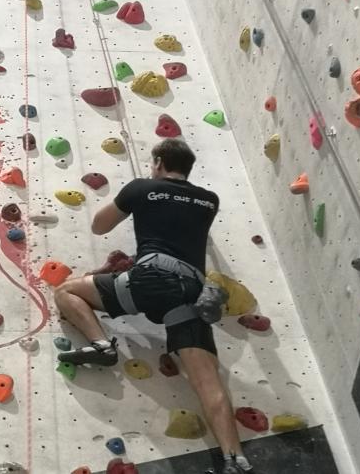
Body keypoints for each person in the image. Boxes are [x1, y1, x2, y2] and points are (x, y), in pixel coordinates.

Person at [53, 139, 253, 474]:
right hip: (191, 291)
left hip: (146, 281)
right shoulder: (209, 200)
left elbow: (99, 226)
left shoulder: (142, 188)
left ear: (158, 162)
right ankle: (236, 459)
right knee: (208, 383)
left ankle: (102, 344)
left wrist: (134, 199)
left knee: (66, 291)